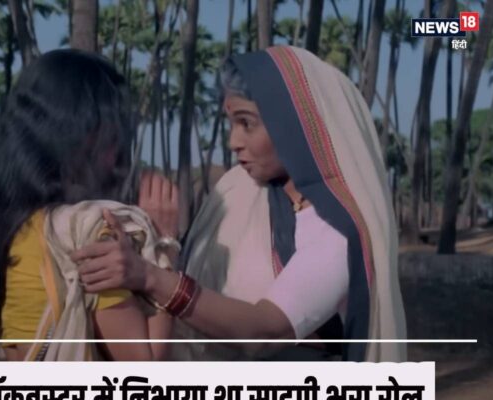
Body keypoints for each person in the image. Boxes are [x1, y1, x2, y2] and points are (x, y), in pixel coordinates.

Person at [73, 46, 407, 362]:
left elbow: (264, 330)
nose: (233, 141)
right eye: (231, 123)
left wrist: (149, 276)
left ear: (295, 125)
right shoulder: (238, 189)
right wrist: (159, 242)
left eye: (247, 123)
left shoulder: (337, 230)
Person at [0, 49, 173, 362]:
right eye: (113, 136)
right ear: (83, 137)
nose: (118, 156)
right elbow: (146, 364)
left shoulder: (6, 224)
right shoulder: (84, 231)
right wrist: (164, 246)